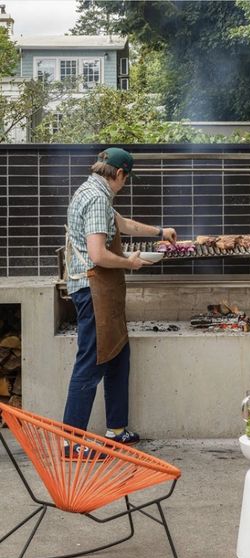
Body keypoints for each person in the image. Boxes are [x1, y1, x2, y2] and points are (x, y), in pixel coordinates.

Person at [63, 147, 176, 454]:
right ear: (120, 174)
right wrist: (131, 262)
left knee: (117, 356)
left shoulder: (91, 190)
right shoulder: (98, 198)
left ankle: (116, 430)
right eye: (126, 179)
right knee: (90, 362)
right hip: (93, 289)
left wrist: (160, 232)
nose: (125, 185)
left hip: (99, 288)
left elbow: (122, 224)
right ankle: (71, 443)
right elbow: (98, 254)